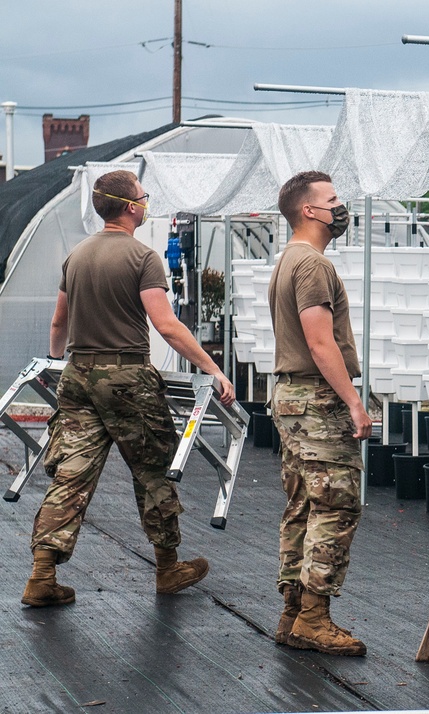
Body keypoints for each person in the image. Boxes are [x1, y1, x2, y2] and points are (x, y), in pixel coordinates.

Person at [23, 169, 237, 608]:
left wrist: (56, 363)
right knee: (153, 469)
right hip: (126, 380)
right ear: (131, 207)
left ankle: (42, 575)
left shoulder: (77, 255)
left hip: (78, 377)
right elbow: (166, 325)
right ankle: (167, 567)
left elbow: (59, 321)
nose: (146, 200)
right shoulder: (143, 258)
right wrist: (212, 368)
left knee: (71, 474)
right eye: (143, 195)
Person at [269, 170, 373, 657]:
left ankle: (293, 612)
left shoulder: (288, 259)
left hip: (292, 399)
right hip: (315, 402)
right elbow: (318, 340)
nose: (340, 207)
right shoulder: (311, 265)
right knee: (335, 506)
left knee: (305, 505)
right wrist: (354, 402)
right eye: (332, 200)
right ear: (309, 211)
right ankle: (313, 617)